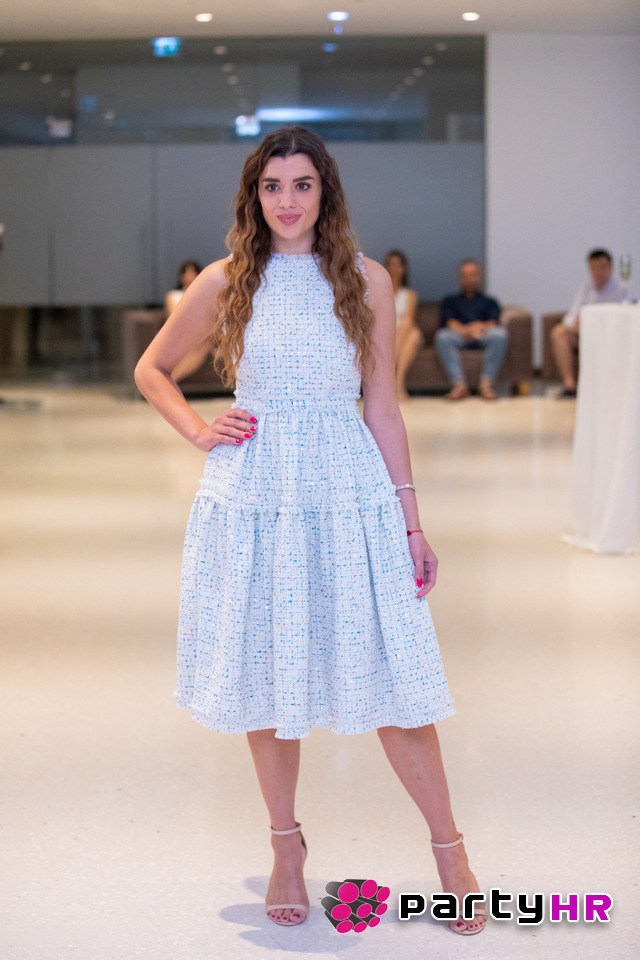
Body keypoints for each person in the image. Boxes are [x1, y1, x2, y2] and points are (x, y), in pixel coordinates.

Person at [134, 127, 487, 937]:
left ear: (325, 192)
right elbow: (153, 369)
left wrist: (411, 523)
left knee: (398, 679)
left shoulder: (366, 280)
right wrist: (198, 430)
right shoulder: (228, 279)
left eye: (302, 185)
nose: (287, 200)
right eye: (272, 186)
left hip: (348, 491)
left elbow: (383, 409)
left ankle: (450, 851)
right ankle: (285, 846)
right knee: (269, 677)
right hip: (257, 494)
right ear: (253, 196)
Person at [551, 248, 627, 397]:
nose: (598, 272)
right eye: (593, 268)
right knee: (559, 332)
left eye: (602, 267)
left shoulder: (622, 289)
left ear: (611, 267)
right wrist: (576, 324)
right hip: (587, 335)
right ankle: (570, 385)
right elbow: (569, 318)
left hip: (612, 336)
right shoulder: (586, 288)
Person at [435, 259, 508, 401]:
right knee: (442, 336)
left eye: (473, 274)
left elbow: (492, 323)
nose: (469, 279)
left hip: (483, 335)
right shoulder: (450, 301)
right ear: (460, 278)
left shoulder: (490, 301)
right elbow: (450, 323)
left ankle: (486, 385)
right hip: (459, 337)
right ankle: (459, 385)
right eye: (465, 275)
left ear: (479, 277)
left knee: (500, 335)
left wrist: (477, 329)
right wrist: (466, 331)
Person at [384, 249, 423, 403]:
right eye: (392, 265)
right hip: (386, 332)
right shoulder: (381, 292)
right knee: (413, 335)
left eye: (398, 265)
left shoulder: (410, 295)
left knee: (411, 330)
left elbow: (409, 319)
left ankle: (397, 380)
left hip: (403, 331)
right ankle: (399, 385)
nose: (395, 269)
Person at [164, 260, 212, 382]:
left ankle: (169, 380)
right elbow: (174, 317)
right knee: (203, 342)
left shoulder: (207, 294)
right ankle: (169, 380)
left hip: (206, 330)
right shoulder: (174, 295)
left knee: (206, 340)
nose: (189, 276)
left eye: (193, 273)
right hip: (185, 331)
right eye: (186, 273)